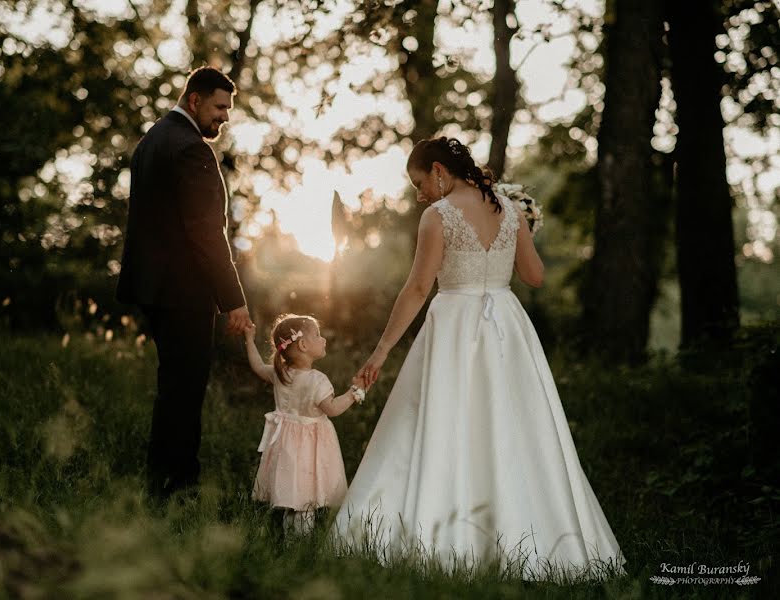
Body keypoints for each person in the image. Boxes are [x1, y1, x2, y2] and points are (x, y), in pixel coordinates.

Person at [331, 137, 627, 581]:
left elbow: (416, 289)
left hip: (454, 324)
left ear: (438, 171)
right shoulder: (509, 210)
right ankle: (536, 540)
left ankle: (444, 537)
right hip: (506, 326)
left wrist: (382, 350)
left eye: (418, 183)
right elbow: (534, 276)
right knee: (516, 425)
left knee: (444, 422)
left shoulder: (439, 217)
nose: (419, 194)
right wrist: (519, 230)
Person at [116, 66, 253, 500]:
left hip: (153, 289)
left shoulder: (152, 141)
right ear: (194, 100)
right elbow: (207, 234)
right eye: (219, 107)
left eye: (228, 109)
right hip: (184, 292)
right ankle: (179, 487)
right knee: (186, 390)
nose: (224, 117)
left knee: (172, 387)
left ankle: (159, 481)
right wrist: (234, 300)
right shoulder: (191, 149)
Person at [244, 314, 367, 535]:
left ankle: (288, 534)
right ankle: (300, 540)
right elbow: (333, 409)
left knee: (292, 483)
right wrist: (354, 393)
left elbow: (256, 366)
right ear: (303, 345)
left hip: (285, 443)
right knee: (306, 485)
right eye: (318, 335)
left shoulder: (281, 373)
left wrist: (249, 339)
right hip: (311, 445)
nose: (323, 339)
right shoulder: (317, 380)